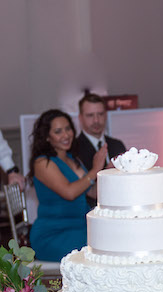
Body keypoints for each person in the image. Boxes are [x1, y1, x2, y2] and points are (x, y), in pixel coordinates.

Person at [29, 109, 107, 262]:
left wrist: (108, 173)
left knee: (111, 236)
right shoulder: (42, 163)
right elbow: (69, 193)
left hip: (80, 227)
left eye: (68, 129)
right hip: (54, 234)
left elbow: (90, 192)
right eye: (58, 131)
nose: (66, 135)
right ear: (47, 137)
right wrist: (94, 170)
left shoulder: (72, 159)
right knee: (103, 245)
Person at [76, 93, 126, 207]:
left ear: (106, 115)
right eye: (90, 115)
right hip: (88, 213)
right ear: (80, 118)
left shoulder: (117, 145)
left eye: (100, 114)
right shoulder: (73, 149)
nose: (96, 120)